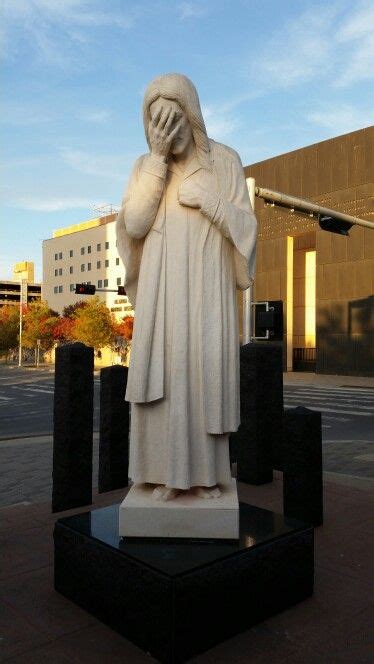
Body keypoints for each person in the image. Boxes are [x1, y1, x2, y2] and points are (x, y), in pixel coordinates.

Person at [116, 73, 257, 501]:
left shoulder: (225, 162)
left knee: (203, 376)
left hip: (208, 290)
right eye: (156, 122)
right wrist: (158, 162)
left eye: (173, 119)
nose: (165, 131)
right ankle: (160, 475)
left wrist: (212, 203)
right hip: (162, 290)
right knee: (165, 378)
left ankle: (207, 476)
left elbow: (247, 228)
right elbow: (135, 224)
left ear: (191, 115)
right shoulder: (144, 166)